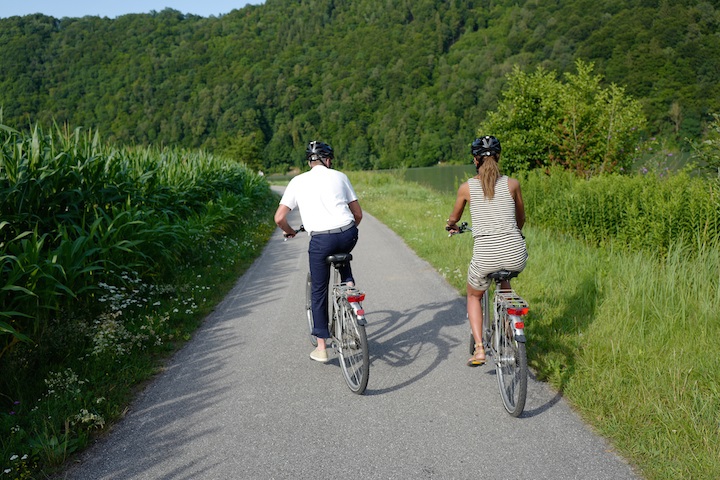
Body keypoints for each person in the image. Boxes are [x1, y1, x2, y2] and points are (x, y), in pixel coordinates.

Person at [274, 140, 363, 363]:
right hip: (348, 233)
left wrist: (291, 231)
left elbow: (279, 218)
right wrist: (345, 232)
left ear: (310, 161)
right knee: (343, 255)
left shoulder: (297, 181)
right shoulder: (340, 176)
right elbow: (358, 214)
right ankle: (352, 293)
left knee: (319, 291)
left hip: (321, 241)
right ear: (327, 159)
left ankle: (322, 348)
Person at [445, 135, 527, 366]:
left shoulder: (466, 188)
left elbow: (454, 218)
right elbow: (520, 218)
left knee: (474, 295)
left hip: (486, 257)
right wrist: (514, 233)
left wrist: (451, 226)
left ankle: (480, 349)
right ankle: (509, 328)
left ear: (475, 160)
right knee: (505, 279)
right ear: (498, 157)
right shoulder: (512, 184)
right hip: (516, 254)